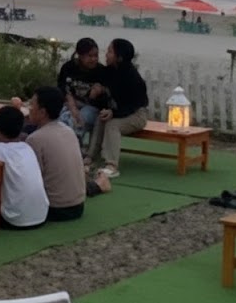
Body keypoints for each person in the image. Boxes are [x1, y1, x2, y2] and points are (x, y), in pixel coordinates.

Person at [26, 87, 104, 220]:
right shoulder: (68, 131)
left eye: (32, 104)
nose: (29, 108)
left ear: (43, 112)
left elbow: (31, 181)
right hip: (78, 206)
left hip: (54, 208)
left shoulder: (35, 139)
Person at [88, 38, 149, 181]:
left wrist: (113, 113)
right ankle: (90, 157)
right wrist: (98, 92)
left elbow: (134, 105)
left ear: (119, 57)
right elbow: (104, 95)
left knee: (112, 124)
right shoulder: (109, 71)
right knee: (101, 118)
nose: (106, 54)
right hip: (118, 112)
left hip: (136, 114)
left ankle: (112, 165)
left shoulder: (132, 77)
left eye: (110, 51)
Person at [57, 38, 107, 143]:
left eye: (96, 55)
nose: (93, 59)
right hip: (70, 103)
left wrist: (101, 90)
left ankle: (72, 146)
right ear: (80, 55)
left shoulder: (102, 71)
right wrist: (73, 108)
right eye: (90, 56)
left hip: (92, 107)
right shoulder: (69, 67)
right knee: (63, 118)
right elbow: (63, 89)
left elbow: (106, 99)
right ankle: (63, 145)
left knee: (78, 119)